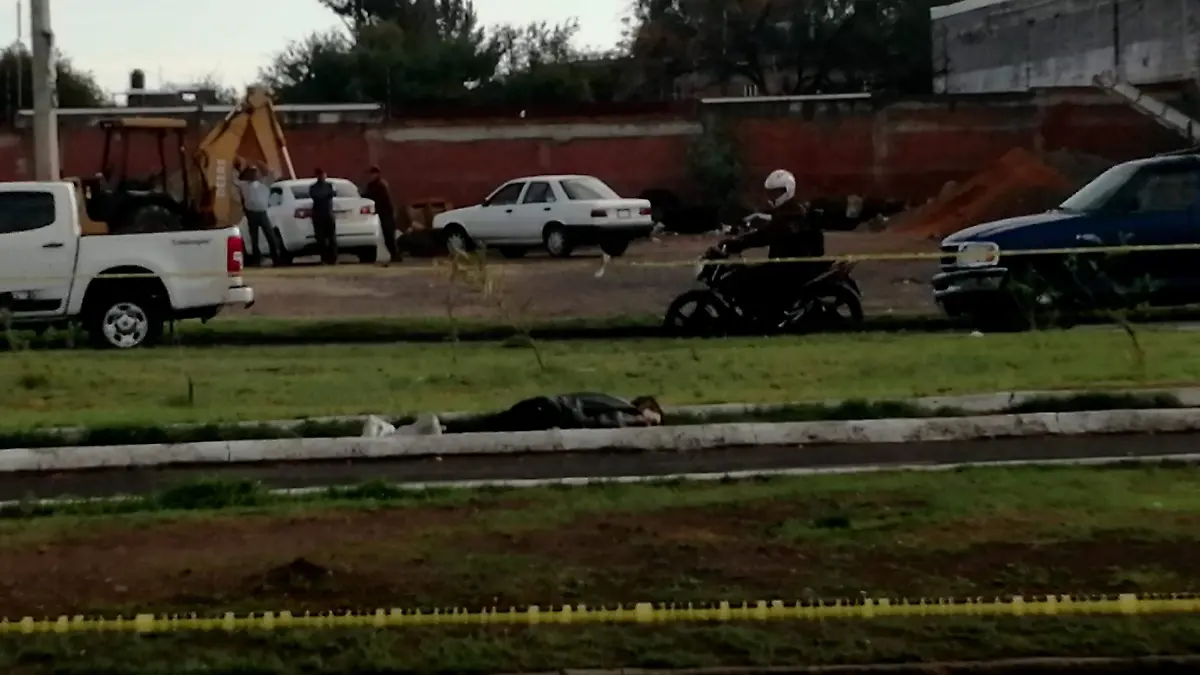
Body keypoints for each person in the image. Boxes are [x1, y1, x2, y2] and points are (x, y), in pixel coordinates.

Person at [711, 168, 828, 318]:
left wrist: (738, 243)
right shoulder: (791, 209)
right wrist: (749, 225)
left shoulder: (792, 213)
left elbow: (767, 235)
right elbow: (770, 224)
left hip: (789, 269)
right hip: (788, 264)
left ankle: (760, 316)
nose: (772, 196)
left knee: (743, 276)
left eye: (776, 192)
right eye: (771, 193)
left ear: (787, 190)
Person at [361, 393, 664, 438]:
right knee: (486, 428)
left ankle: (396, 429)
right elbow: (594, 422)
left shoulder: (615, 401)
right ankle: (398, 431)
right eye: (653, 419)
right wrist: (639, 421)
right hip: (547, 414)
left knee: (488, 425)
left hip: (543, 407)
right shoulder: (625, 410)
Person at [237, 162, 281, 266]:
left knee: (270, 235)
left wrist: (261, 164)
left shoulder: (264, 183)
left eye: (255, 172)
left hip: (262, 213)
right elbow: (237, 179)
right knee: (254, 238)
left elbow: (273, 173)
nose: (253, 174)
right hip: (251, 214)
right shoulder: (244, 185)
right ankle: (257, 259)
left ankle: (276, 258)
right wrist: (246, 168)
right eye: (251, 172)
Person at [363, 166, 402, 263]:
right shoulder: (373, 185)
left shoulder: (380, 185)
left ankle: (396, 255)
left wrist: (362, 195)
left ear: (376, 174)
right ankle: (395, 255)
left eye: (372, 174)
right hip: (381, 213)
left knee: (389, 236)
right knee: (387, 236)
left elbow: (371, 195)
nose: (370, 176)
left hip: (387, 213)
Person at [309, 168, 338, 264]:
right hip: (318, 215)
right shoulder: (313, 187)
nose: (323, 176)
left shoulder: (329, 185)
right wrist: (327, 195)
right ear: (317, 176)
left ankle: (333, 258)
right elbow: (316, 196)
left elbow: (334, 193)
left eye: (324, 174)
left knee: (332, 238)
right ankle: (324, 258)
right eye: (321, 175)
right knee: (321, 238)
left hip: (328, 214)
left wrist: (326, 195)